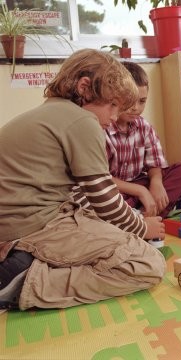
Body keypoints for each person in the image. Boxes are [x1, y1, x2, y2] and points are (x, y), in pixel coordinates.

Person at [0, 49, 167, 310]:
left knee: (108, 230)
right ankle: (25, 282)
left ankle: (24, 258)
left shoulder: (52, 113)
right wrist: (142, 227)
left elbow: (79, 194)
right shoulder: (82, 121)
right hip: (34, 224)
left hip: (24, 221)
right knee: (148, 264)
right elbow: (106, 201)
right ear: (84, 87)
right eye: (112, 105)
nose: (114, 118)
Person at [105, 61, 181, 219]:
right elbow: (101, 179)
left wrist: (156, 183)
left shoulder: (144, 127)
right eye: (130, 101)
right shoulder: (103, 128)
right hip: (116, 189)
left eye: (142, 101)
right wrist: (141, 192)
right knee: (101, 199)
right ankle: (155, 210)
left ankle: (140, 214)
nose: (136, 108)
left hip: (140, 183)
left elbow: (155, 164)